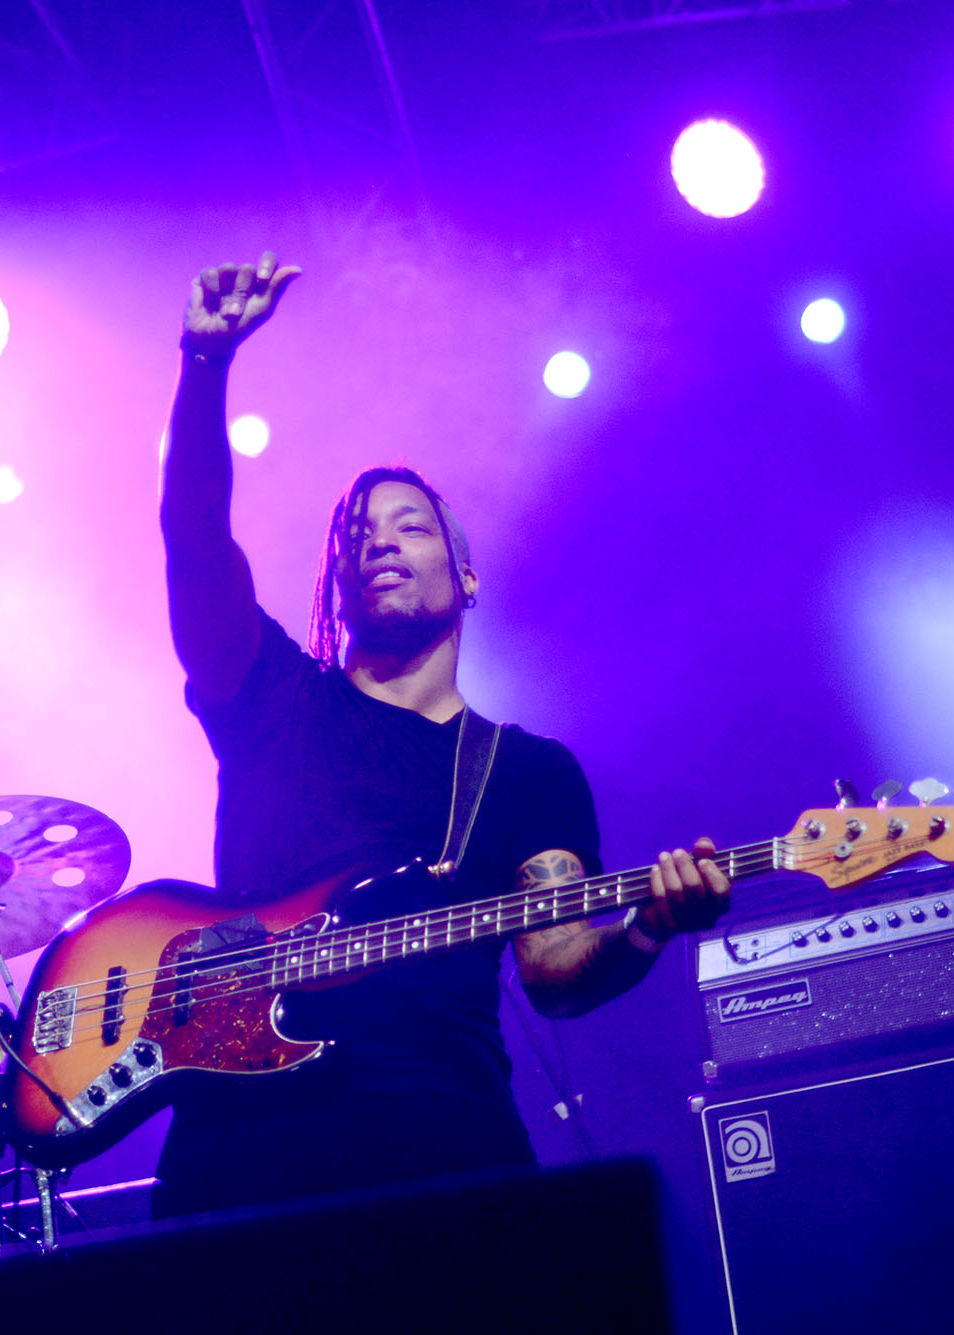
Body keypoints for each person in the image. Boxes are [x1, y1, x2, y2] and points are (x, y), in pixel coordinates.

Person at [151, 252, 732, 1217]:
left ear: (466, 576)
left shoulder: (527, 771)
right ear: (337, 580)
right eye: (358, 533)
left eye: (411, 526)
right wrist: (203, 366)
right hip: (242, 1148)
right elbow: (194, 539)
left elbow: (554, 971)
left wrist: (648, 926)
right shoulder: (272, 695)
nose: (378, 540)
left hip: (443, 1138)